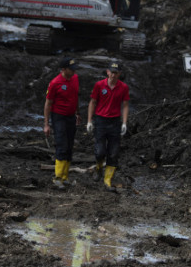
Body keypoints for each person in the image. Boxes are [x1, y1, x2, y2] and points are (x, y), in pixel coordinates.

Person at [86, 61, 129, 190]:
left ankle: (107, 180)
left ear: (119, 74)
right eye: (111, 72)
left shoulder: (123, 87)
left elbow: (126, 105)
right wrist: (89, 121)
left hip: (115, 122)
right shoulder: (99, 85)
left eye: (116, 73)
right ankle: (98, 168)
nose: (113, 75)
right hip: (101, 121)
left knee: (114, 153)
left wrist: (124, 122)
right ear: (107, 72)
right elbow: (93, 102)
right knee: (100, 152)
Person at [43, 57, 80, 189]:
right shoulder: (55, 83)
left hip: (71, 116)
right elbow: (48, 104)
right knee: (62, 145)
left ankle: (65, 177)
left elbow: (75, 97)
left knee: (69, 146)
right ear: (63, 70)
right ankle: (57, 177)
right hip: (59, 117)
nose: (74, 71)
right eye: (71, 69)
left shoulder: (75, 78)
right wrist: (46, 124)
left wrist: (77, 113)